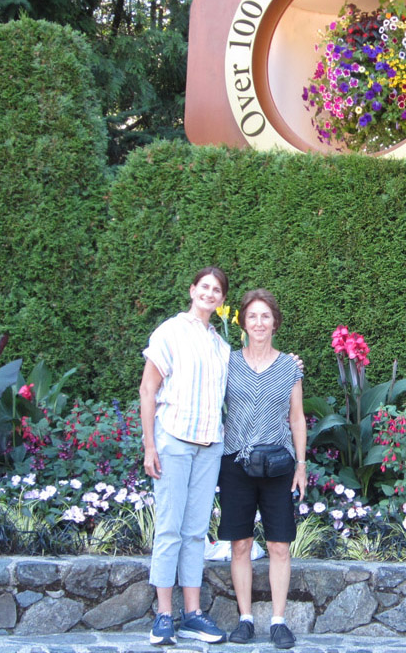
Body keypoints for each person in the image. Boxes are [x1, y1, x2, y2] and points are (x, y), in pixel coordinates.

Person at [140, 267, 231, 646]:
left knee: (196, 532)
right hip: (173, 441)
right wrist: (149, 445)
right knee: (169, 528)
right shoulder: (170, 331)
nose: (209, 294)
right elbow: (148, 388)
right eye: (204, 287)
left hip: (210, 446)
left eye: (217, 290)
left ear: (222, 300)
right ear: (193, 290)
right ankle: (163, 616)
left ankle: (192, 614)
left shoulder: (220, 345)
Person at [217, 289, 306, 650]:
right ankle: (245, 619)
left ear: (275, 323)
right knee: (240, 544)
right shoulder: (227, 362)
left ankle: (279, 621)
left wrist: (301, 465)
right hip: (236, 462)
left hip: (279, 465)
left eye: (265, 316)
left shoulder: (290, 366)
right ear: (242, 322)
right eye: (251, 316)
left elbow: (297, 417)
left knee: (279, 545)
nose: (258, 323)